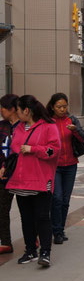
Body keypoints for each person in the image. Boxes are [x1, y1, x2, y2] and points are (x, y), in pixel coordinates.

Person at [1, 95, 60, 267]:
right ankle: (30, 251)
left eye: (18, 110)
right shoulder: (18, 127)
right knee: (26, 218)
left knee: (42, 217)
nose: (17, 113)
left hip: (41, 180)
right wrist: (6, 165)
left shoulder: (49, 127)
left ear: (27, 110)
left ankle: (45, 252)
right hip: (20, 181)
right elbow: (14, 149)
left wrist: (34, 149)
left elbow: (54, 151)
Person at [47, 93, 84, 245]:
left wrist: (75, 130)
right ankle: (56, 230)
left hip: (70, 164)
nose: (62, 109)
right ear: (52, 107)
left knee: (65, 200)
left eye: (64, 106)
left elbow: (83, 139)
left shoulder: (72, 120)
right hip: (54, 165)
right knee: (56, 198)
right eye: (59, 107)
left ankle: (60, 229)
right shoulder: (48, 122)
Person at [0, 94, 19, 254]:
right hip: (4, 175)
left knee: (27, 208)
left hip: (22, 174)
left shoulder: (24, 126)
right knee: (2, 208)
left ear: (13, 109)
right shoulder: (1, 126)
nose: (1, 111)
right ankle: (5, 242)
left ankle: (32, 237)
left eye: (3, 108)